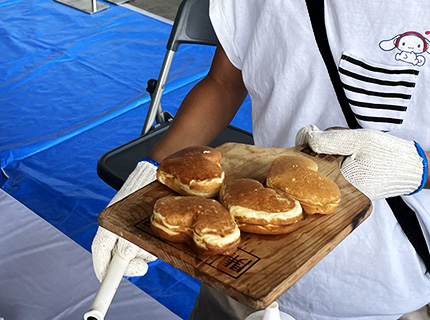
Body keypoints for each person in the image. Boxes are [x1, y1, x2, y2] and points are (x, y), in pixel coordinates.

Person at [91, 1, 430, 319]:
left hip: (389, 288)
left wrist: (418, 166)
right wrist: (156, 172)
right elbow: (224, 83)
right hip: (240, 268)